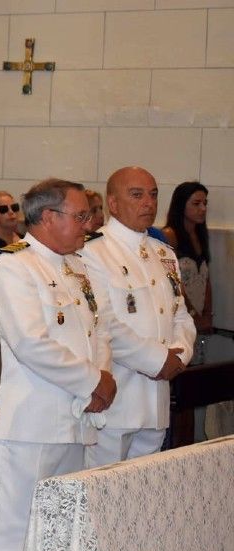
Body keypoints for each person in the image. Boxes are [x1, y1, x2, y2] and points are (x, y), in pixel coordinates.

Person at [0, 179, 117, 551]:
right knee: (9, 544)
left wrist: (101, 382)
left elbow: (100, 331)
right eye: (79, 216)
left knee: (58, 541)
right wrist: (93, 381)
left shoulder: (77, 268)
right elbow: (31, 343)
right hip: (28, 428)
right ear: (48, 217)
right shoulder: (15, 267)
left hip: (73, 422)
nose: (88, 224)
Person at [79, 166, 195, 467]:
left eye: (153, 195)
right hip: (115, 400)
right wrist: (158, 360)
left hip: (155, 400)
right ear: (113, 204)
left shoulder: (163, 253)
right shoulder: (92, 251)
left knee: (141, 500)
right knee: (102, 496)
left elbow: (180, 314)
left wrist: (180, 355)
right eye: (137, 195)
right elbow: (103, 323)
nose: (149, 203)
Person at [162, 181, 213, 338]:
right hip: (180, 313)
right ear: (181, 205)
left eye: (205, 203)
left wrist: (207, 313)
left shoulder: (200, 235)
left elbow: (206, 279)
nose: (203, 209)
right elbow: (172, 281)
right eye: (196, 203)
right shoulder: (170, 235)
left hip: (199, 315)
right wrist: (191, 313)